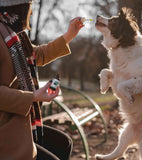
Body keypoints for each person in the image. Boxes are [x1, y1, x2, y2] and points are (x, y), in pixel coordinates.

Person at [0, 0, 84, 160]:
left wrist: (69, 36)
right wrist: (33, 96)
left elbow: (36, 54)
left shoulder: (13, 35)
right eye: (29, 8)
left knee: (63, 143)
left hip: (18, 121)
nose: (30, 13)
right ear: (18, 9)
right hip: (6, 128)